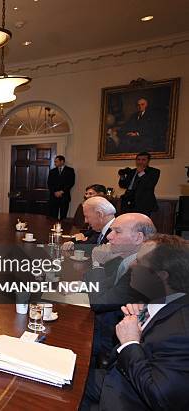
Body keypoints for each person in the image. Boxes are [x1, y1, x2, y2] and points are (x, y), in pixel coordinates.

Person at [83, 234, 189, 410]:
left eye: (139, 262)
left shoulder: (182, 332)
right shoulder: (163, 301)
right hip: (117, 379)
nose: (132, 265)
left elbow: (160, 397)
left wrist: (130, 343)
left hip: (126, 399)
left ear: (161, 276)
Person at [83, 213, 156, 364]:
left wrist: (97, 263)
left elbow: (99, 303)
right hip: (110, 325)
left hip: (113, 339)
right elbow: (105, 286)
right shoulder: (127, 259)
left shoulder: (144, 269)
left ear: (138, 238)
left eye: (117, 231)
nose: (109, 237)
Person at [119, 151, 160, 216]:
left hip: (143, 203)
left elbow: (150, 185)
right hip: (128, 202)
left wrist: (141, 173)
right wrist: (122, 176)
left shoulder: (154, 172)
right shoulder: (132, 171)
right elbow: (123, 185)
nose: (140, 162)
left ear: (148, 161)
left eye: (143, 160)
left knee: (141, 224)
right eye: (138, 160)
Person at [47, 155, 75, 220]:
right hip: (54, 197)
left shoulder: (70, 170)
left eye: (56, 161)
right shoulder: (52, 171)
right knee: (53, 217)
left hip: (64, 197)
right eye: (54, 162)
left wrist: (61, 191)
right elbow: (49, 183)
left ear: (62, 161)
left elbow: (71, 183)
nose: (55, 163)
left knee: (63, 217)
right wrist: (55, 192)